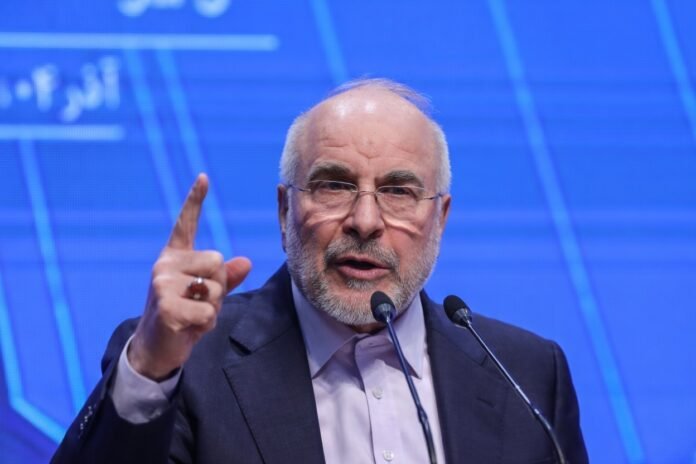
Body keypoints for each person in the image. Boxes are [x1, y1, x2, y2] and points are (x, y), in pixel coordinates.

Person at [52, 78, 588, 463]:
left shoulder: (529, 375)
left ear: (440, 219)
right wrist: (149, 368)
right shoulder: (184, 367)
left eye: (398, 192)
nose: (365, 221)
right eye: (334, 185)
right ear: (284, 210)